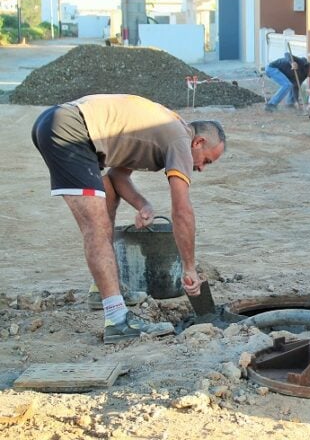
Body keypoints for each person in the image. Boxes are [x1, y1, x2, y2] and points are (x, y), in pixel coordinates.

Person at [31, 94, 226, 343]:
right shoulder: (180, 140)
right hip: (71, 130)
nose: (201, 168)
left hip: (64, 124)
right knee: (96, 225)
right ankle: (117, 320)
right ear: (198, 141)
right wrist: (189, 266)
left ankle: (98, 290)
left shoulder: (166, 130)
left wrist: (143, 204)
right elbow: (181, 210)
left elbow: (117, 177)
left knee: (108, 196)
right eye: (207, 160)